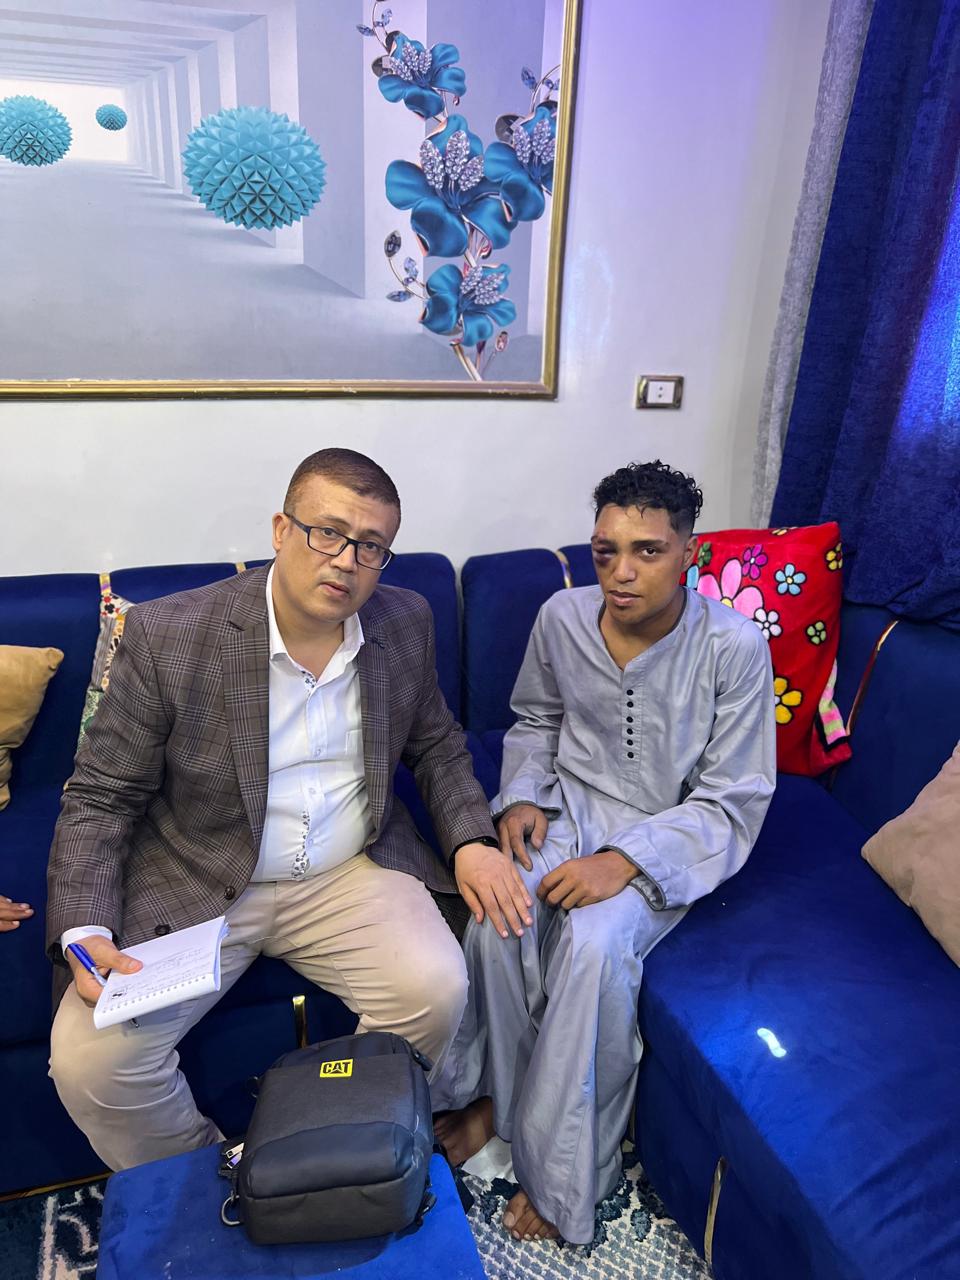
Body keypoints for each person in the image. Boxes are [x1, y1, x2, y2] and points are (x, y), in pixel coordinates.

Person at [47, 447, 530, 1172]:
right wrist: (84, 925)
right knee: (91, 1063)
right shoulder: (171, 634)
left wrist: (471, 841)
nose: (346, 561)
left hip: (349, 868)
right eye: (326, 532)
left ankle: (330, 1163)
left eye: (370, 546)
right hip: (202, 872)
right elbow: (100, 795)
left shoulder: (405, 620)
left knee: (435, 989)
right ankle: (214, 1181)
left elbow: (436, 744)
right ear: (281, 530)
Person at [433, 460, 777, 1244]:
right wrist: (524, 795)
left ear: (689, 551)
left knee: (592, 948)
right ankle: (498, 1105)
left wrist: (625, 861)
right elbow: (535, 720)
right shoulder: (561, 617)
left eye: (647, 551)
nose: (622, 572)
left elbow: (735, 796)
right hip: (567, 805)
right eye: (605, 551)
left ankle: (568, 1177)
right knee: (497, 918)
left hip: (670, 832)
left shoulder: (732, 647)